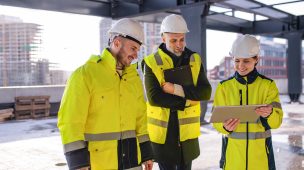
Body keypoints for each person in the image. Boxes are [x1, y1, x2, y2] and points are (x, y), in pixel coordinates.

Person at [57, 18, 153, 170]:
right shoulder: (85, 75)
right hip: (100, 163)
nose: (136, 55)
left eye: (137, 50)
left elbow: (141, 118)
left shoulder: (134, 78)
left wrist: (147, 153)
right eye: (133, 48)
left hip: (132, 161)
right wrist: (78, 163)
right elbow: (70, 121)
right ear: (116, 43)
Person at [142, 14, 212, 170]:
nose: (179, 44)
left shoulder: (194, 59)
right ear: (163, 38)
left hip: (187, 135)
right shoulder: (151, 62)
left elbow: (205, 92)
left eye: (181, 39)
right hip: (164, 135)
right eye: (173, 40)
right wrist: (188, 100)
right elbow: (155, 98)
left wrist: (176, 89)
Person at [212, 34, 283, 170]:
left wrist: (269, 114)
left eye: (246, 61)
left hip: (261, 159)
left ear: (256, 59)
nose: (241, 66)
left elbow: (277, 122)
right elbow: (216, 122)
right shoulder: (224, 87)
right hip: (233, 159)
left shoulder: (268, 85)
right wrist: (225, 127)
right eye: (237, 61)